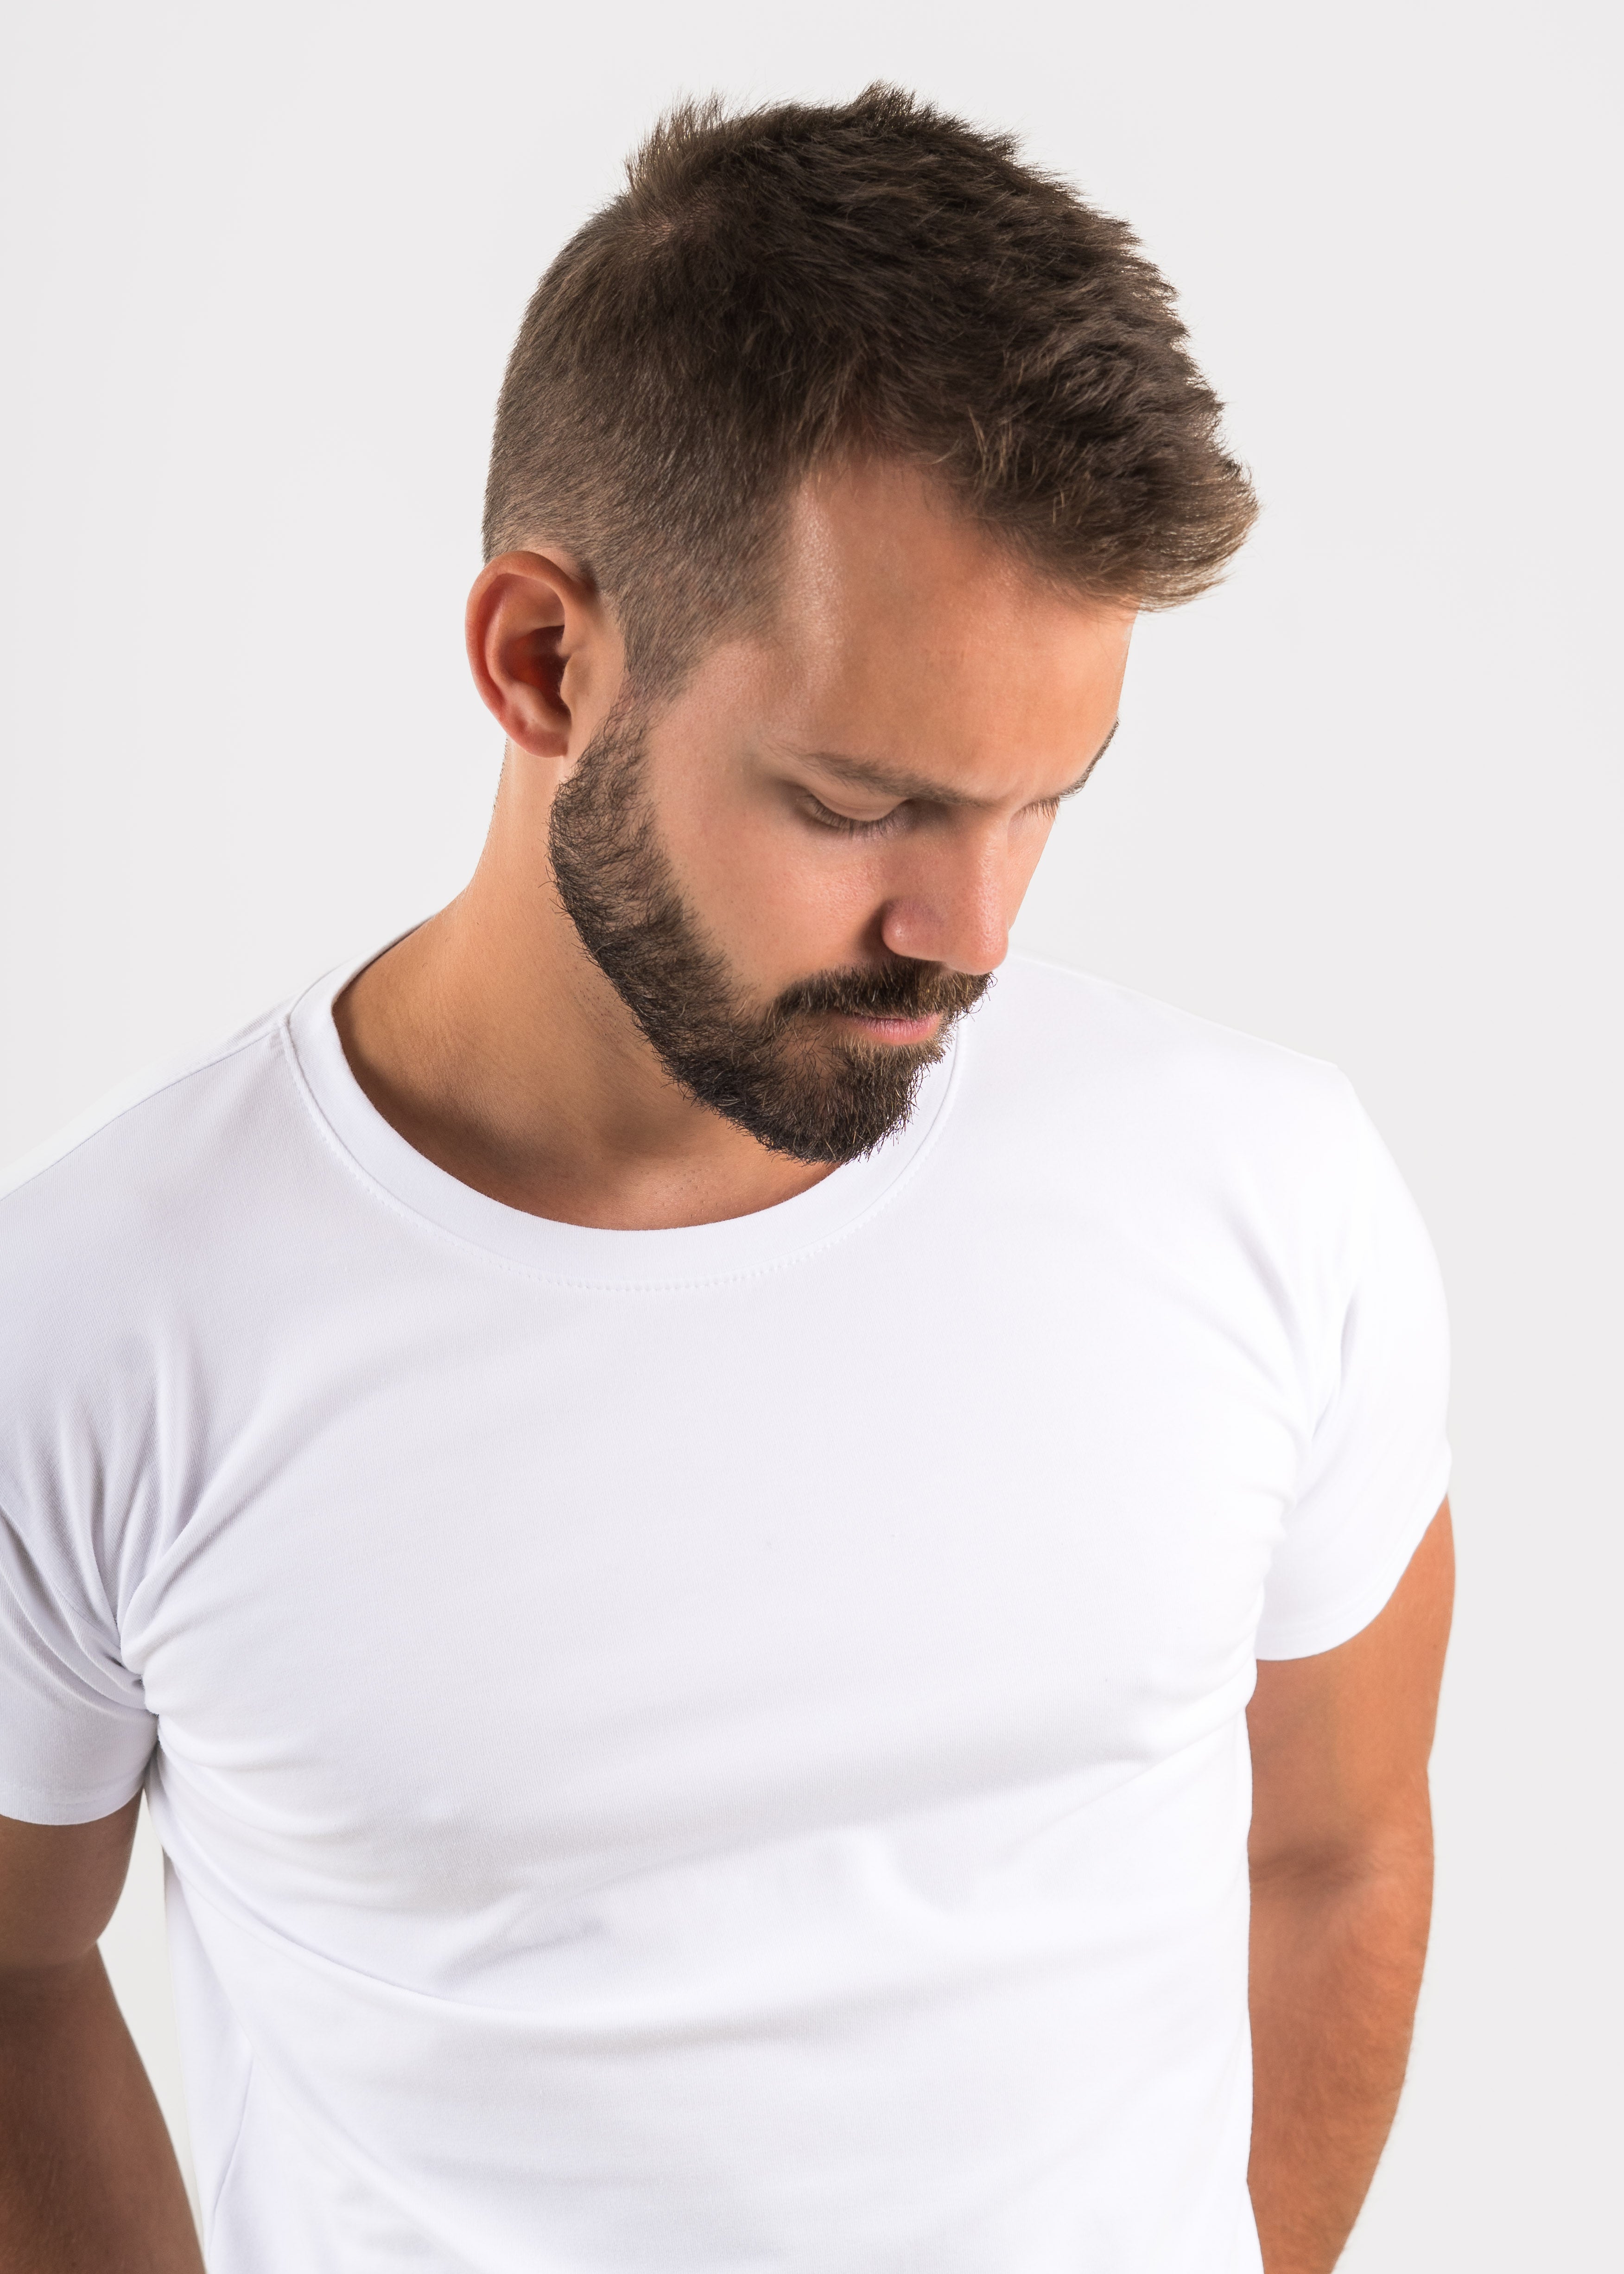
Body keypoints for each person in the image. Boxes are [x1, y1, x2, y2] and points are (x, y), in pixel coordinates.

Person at [0, 86, 1452, 2274]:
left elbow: (1337, 1849)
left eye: (1046, 799)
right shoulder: (108, 1317)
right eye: (863, 801)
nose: (970, 930)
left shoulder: (1259, 1186)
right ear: (544, 660)